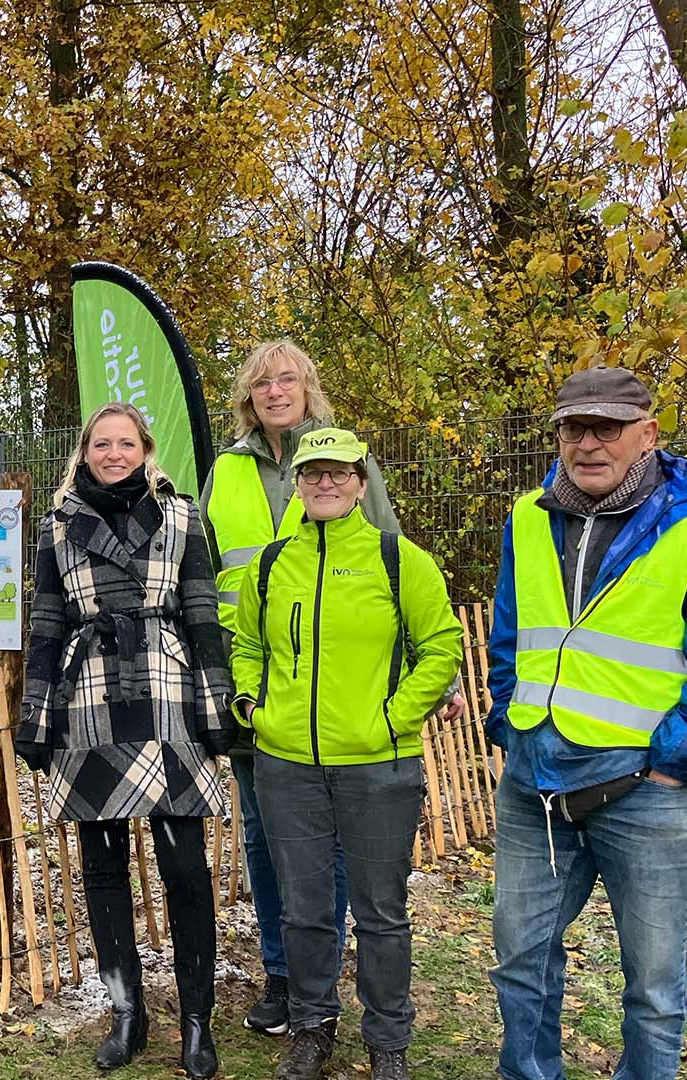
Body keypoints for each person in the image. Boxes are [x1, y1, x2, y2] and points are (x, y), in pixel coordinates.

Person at [485, 368, 687, 1080]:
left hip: (645, 791)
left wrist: (675, 762)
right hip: (535, 784)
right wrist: (509, 722)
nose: (588, 444)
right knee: (520, 963)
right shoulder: (528, 517)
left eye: (607, 428)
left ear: (647, 434)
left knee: (652, 986)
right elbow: (509, 637)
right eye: (573, 428)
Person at [230, 426, 462, 1080]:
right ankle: (311, 1029)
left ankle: (388, 1040)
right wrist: (253, 707)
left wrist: (392, 717)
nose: (325, 482)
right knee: (304, 909)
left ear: (361, 484)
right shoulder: (270, 566)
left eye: (339, 472)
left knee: (381, 912)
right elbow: (246, 646)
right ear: (297, 485)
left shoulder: (399, 559)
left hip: (377, 766)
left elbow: (441, 646)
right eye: (313, 473)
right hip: (287, 766)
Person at [16, 402, 235, 1080]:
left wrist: (216, 706)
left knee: (185, 868)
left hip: (167, 693)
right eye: (102, 444)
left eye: (126, 444)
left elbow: (203, 613)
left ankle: (197, 1022)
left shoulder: (183, 516)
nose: (114, 454)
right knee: (104, 867)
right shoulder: (57, 526)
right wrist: (36, 714)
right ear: (83, 453)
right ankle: (127, 1013)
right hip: (89, 694)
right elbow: (47, 622)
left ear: (146, 449)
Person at [198, 339, 394, 1036]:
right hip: (250, 680)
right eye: (262, 384)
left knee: (326, 838)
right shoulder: (225, 470)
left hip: (331, 684)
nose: (275, 392)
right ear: (247, 398)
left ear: (308, 387)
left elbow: (395, 563)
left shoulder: (345, 458)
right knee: (262, 834)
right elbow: (203, 571)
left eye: (287, 379)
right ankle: (282, 975)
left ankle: (320, 973)